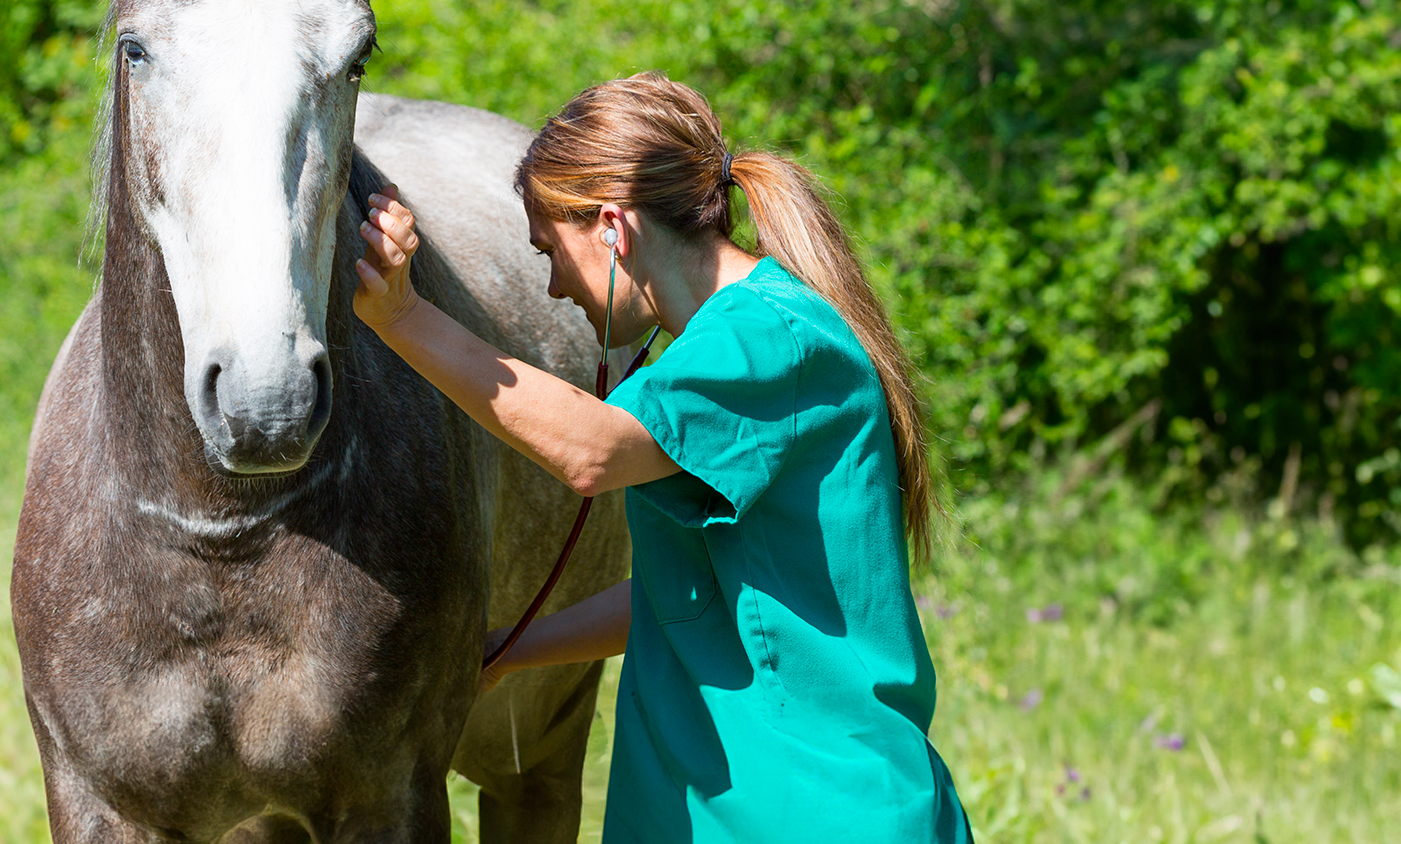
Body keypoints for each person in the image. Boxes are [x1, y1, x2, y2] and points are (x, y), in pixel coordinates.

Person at [352, 72, 970, 841]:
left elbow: (590, 452)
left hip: (806, 799)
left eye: (551, 250)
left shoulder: (769, 339)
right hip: (720, 799)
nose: (550, 287)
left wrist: (404, 318)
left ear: (613, 226)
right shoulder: (720, 348)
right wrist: (506, 651)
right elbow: (689, 592)